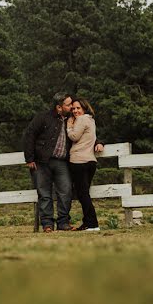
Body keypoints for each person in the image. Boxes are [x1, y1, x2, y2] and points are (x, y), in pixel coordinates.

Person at [23, 92, 104, 232]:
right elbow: (29, 135)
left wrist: (98, 142)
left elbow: (87, 133)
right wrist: (29, 158)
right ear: (59, 107)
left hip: (62, 162)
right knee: (44, 193)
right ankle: (47, 224)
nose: (72, 107)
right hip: (42, 161)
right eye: (68, 105)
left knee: (65, 191)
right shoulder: (43, 118)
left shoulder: (72, 119)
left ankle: (63, 223)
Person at [67, 98, 100, 231]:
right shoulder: (91, 120)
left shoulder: (81, 120)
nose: (75, 111)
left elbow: (74, 136)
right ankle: (87, 223)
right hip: (90, 161)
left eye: (78, 108)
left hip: (79, 161)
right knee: (84, 193)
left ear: (84, 108)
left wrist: (69, 126)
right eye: (73, 108)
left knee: (83, 194)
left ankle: (93, 224)